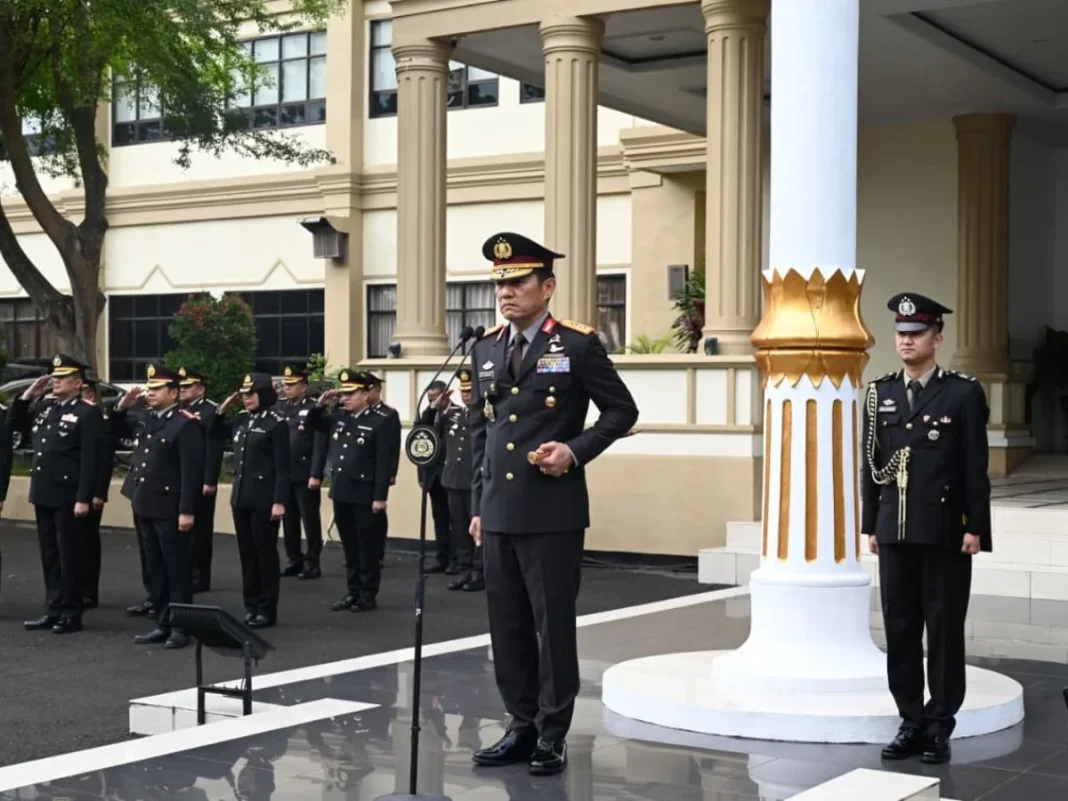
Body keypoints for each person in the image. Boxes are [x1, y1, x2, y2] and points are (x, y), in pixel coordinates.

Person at [467, 232, 639, 775]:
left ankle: (552, 732)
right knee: (508, 626)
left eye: (518, 283)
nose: (507, 293)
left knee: (552, 625)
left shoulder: (578, 345)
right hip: (498, 509)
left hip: (551, 509)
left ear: (548, 286)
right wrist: (477, 503)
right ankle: (519, 725)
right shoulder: (485, 347)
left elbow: (621, 412)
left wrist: (574, 449)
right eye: (501, 284)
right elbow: (481, 432)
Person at [861, 292, 992, 766]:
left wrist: (976, 526)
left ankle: (939, 725)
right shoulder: (880, 393)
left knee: (942, 629)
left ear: (936, 339)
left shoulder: (962, 392)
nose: (906, 341)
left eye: (916, 334)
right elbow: (870, 463)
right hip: (895, 531)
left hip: (944, 531)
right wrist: (869, 524)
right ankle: (911, 720)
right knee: (900, 627)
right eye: (900, 334)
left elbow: (975, 465)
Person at [112, 366, 205, 648]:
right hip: (145, 503)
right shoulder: (147, 418)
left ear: (173, 393)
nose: (149, 394)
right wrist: (120, 407)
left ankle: (181, 627)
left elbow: (192, 472)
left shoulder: (185, 424)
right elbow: (114, 432)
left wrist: (187, 510)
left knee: (176, 569)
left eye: (156, 390)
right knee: (156, 569)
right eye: (149, 389)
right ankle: (162, 622)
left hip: (170, 507)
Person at [11, 354, 105, 634]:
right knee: (49, 553)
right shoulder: (46, 408)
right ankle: (53, 608)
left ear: (77, 383)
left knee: (70, 555)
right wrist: (27, 396)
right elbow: (15, 425)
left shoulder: (88, 413)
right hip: (44, 491)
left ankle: (71, 611)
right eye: (54, 376)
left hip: (68, 494)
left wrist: (83, 497)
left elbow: (90, 460)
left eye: (62, 378)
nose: (55, 381)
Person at [308, 370, 392, 612]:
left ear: (366, 394)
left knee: (368, 546)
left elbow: (383, 462)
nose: (345, 398)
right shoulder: (340, 418)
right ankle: (352, 590)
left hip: (365, 494)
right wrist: (319, 405)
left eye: (350, 393)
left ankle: (367, 593)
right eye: (343, 394)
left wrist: (380, 496)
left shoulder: (380, 421)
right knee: (350, 546)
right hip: (342, 491)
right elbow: (313, 424)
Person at [215, 373, 291, 628]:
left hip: (264, 499)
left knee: (264, 555)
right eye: (244, 395)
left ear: (265, 394)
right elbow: (212, 432)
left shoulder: (276, 423)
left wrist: (279, 500)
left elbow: (283, 467)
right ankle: (251, 604)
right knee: (247, 554)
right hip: (242, 496)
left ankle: (267, 609)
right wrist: (221, 410)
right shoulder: (242, 421)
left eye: (251, 394)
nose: (246, 399)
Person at [277, 364, 328, 580]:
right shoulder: (280, 408)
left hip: (305, 472)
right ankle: (294, 558)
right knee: (288, 520)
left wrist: (316, 473)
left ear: (304, 386)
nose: (287, 388)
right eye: (285, 385)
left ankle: (312, 561)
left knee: (309, 518)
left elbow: (319, 443)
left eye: (292, 384)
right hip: (285, 473)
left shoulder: (314, 409)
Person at [435, 370, 482, 591]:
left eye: (470, 391)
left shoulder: (485, 414)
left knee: (478, 528)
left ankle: (480, 571)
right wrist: (437, 404)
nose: (466, 395)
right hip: (453, 478)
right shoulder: (453, 414)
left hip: (475, 480)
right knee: (460, 527)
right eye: (463, 391)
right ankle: (464, 569)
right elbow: (427, 426)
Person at [178, 367, 223, 593]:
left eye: (188, 387)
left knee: (201, 530)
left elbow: (213, 449)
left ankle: (201, 576)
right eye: (181, 387)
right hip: (183, 478)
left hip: (201, 479)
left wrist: (210, 479)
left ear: (201, 389)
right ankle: (186, 572)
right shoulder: (179, 410)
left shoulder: (211, 411)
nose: (183, 390)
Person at [80, 375, 115, 610]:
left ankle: (89, 591)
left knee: (88, 543)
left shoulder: (99, 419)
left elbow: (104, 461)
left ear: (91, 394)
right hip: (75, 490)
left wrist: (99, 493)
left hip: (92, 491)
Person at [363, 373, 400, 566]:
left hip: (378, 472)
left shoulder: (387, 414)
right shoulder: (354, 413)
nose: (366, 394)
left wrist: (392, 472)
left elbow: (392, 446)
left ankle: (377, 551)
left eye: (369, 389)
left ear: (377, 390)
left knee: (376, 514)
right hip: (360, 473)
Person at [419, 379, 455, 573]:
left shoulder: (456, 412)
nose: (433, 401)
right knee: (439, 518)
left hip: (452, 474)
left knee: (456, 519)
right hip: (433, 475)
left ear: (446, 394)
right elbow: (420, 440)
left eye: (436, 397)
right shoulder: (427, 414)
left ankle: (456, 559)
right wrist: (421, 475)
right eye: (430, 398)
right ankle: (442, 557)